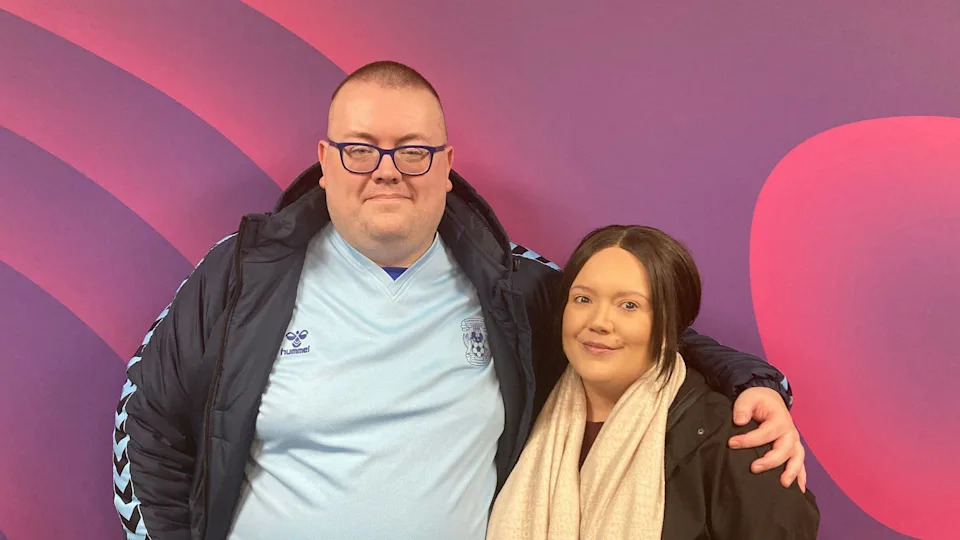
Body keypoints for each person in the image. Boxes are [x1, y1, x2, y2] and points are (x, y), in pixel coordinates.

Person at [112, 61, 806, 540]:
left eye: (413, 151)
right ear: (325, 161)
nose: (387, 171)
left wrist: (752, 380)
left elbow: (621, 326)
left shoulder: (510, 281)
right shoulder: (241, 275)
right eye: (361, 150)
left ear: (446, 165)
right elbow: (145, 423)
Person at [487, 225, 820, 539]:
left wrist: (760, 383)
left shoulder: (733, 439)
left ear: (669, 323)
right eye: (583, 299)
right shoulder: (525, 407)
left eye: (629, 305)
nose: (599, 322)